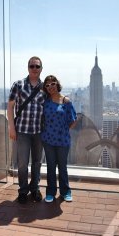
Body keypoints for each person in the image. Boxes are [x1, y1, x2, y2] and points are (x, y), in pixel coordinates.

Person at [7, 56, 46, 204]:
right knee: (22, 163)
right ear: (28, 68)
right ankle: (23, 191)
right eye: (32, 66)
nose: (34, 69)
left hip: (38, 132)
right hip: (22, 131)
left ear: (41, 69)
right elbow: (10, 106)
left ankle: (35, 189)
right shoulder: (18, 85)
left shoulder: (45, 88)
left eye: (37, 66)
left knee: (37, 162)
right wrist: (12, 127)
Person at [41, 75, 77, 203]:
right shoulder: (45, 101)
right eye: (47, 85)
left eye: (53, 83)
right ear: (45, 88)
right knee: (51, 166)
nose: (50, 86)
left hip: (63, 140)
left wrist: (65, 130)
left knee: (62, 167)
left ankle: (66, 192)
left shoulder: (66, 101)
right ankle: (50, 192)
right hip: (48, 139)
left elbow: (73, 119)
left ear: (57, 84)